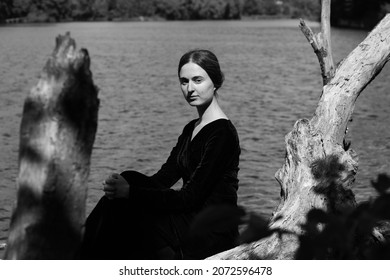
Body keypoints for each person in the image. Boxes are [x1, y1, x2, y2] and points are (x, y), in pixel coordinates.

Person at [80, 49, 241, 260]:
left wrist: (130, 193)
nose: (190, 88)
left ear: (215, 82)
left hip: (211, 228)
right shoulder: (191, 128)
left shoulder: (222, 134)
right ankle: (80, 249)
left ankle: (78, 254)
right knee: (128, 179)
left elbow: (190, 197)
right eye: (184, 82)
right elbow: (163, 179)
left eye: (197, 80)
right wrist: (123, 186)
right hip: (188, 215)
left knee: (124, 212)